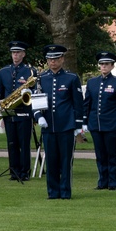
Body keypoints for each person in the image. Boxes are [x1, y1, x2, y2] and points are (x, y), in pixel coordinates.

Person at [33, 44, 85, 200]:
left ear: (62, 59)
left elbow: (78, 103)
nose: (52, 62)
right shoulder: (41, 78)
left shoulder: (71, 78)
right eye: (50, 59)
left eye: (55, 59)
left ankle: (65, 191)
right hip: (48, 125)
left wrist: (77, 126)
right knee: (51, 160)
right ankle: (53, 192)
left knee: (65, 161)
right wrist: (38, 116)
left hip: (66, 125)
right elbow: (36, 101)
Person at [0, 40, 38, 181]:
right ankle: (13, 170)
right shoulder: (4, 71)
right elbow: (1, 89)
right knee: (12, 143)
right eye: (13, 52)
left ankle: (24, 172)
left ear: (23, 54)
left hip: (24, 112)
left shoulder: (30, 71)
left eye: (18, 52)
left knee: (24, 144)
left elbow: (35, 90)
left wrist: (30, 91)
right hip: (9, 113)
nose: (15, 55)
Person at [84, 51, 116, 191]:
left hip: (111, 123)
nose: (103, 66)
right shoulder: (92, 82)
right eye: (101, 64)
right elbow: (87, 103)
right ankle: (102, 181)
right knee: (100, 154)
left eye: (106, 64)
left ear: (112, 66)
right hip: (95, 123)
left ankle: (112, 181)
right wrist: (84, 122)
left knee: (111, 153)